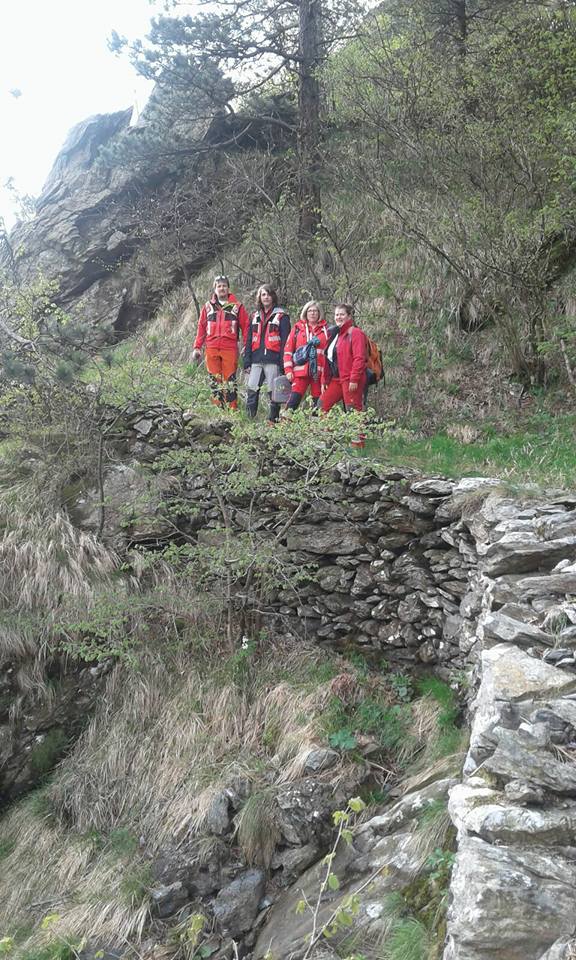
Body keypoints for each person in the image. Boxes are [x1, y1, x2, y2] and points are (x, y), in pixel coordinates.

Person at [191, 275, 249, 409]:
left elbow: (246, 327)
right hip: (211, 348)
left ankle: (232, 411)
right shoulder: (207, 307)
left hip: (230, 348)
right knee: (214, 380)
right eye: (219, 286)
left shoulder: (237, 307)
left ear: (228, 288)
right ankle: (218, 410)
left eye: (224, 286)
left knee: (230, 380)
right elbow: (201, 327)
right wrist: (197, 347)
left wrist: (246, 345)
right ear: (215, 289)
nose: (222, 288)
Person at [244, 285, 291, 423]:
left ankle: (273, 421)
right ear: (260, 297)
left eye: (269, 294)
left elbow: (285, 342)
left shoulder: (282, 316)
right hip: (256, 360)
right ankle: (249, 420)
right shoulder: (254, 316)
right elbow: (248, 340)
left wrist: (283, 364)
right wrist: (247, 360)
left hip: (273, 360)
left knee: (274, 392)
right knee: (252, 390)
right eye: (263, 295)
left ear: (273, 297)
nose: (266, 297)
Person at [321, 303, 367, 414]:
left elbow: (359, 358)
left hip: (350, 379)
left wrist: (354, 379)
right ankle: (329, 432)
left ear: (349, 316)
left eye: (342, 314)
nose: (338, 317)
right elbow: (327, 359)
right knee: (321, 407)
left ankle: (360, 432)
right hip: (336, 380)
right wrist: (324, 380)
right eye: (337, 315)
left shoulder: (355, 333)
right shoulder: (335, 334)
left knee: (353, 413)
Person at [283, 300, 328, 413]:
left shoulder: (326, 331)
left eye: (315, 311)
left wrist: (326, 376)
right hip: (300, 372)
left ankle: (315, 428)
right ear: (305, 313)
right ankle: (284, 425)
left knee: (317, 404)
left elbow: (328, 355)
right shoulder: (298, 329)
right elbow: (288, 351)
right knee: (293, 400)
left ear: (319, 313)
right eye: (310, 311)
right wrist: (288, 370)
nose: (312, 313)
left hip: (318, 374)